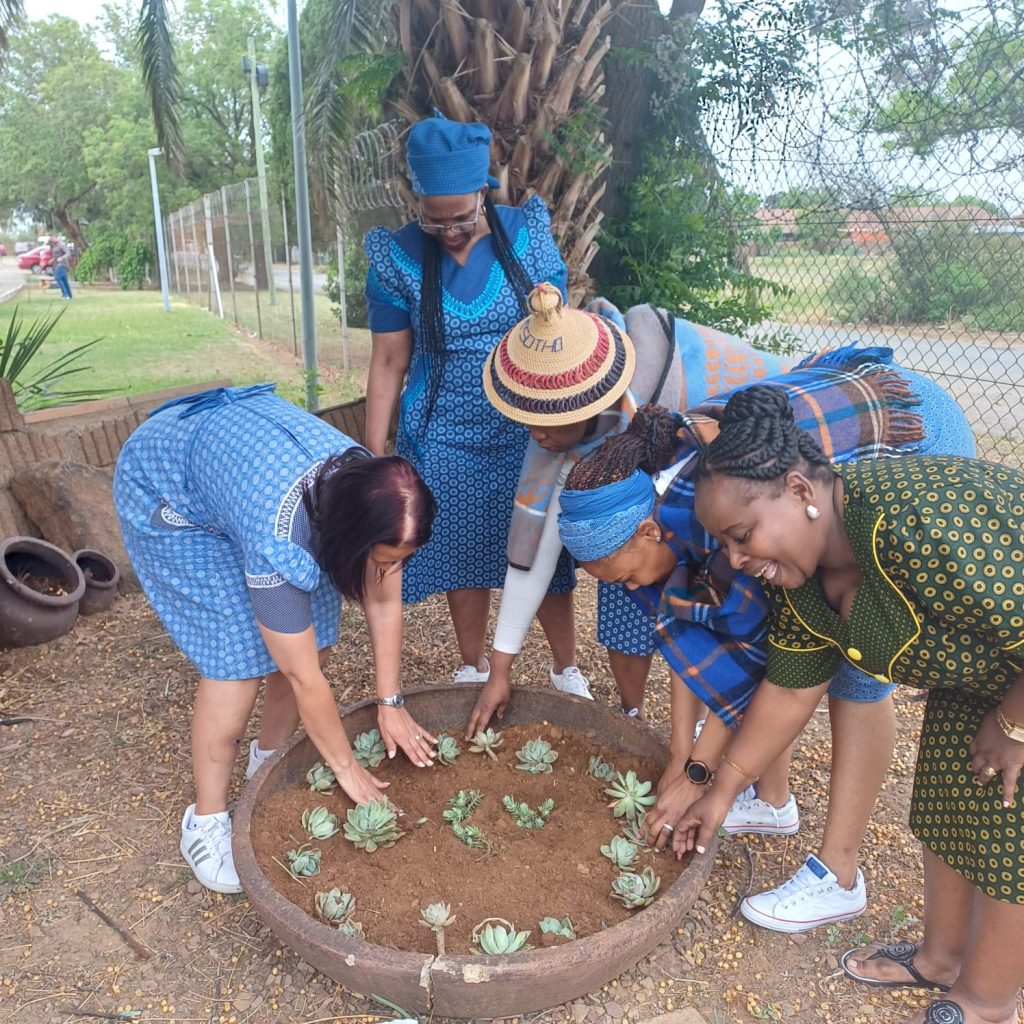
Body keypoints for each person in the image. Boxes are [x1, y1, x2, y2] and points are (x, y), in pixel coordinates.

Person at [553, 358, 976, 933]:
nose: (630, 589)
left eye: (626, 576)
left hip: (908, 433)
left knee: (851, 663)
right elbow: (698, 644)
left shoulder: (733, 523)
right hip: (797, 483)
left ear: (650, 531)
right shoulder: (673, 507)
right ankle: (773, 802)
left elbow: (762, 660)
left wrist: (701, 773)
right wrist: (682, 757)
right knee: (796, 637)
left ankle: (839, 874)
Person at [673, 384, 1024, 1024]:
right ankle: (941, 959)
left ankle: (987, 1002)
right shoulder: (803, 582)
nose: (736, 560)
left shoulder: (913, 520)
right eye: (725, 545)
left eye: (742, 536)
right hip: (980, 680)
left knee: (1010, 834)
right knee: (948, 806)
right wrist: (720, 794)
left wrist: (1013, 724)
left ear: (799, 491)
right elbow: (789, 689)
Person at [114, 383, 438, 894]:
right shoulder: (278, 537)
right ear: (349, 538)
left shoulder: (375, 493)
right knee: (238, 661)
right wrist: (347, 768)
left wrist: (390, 701)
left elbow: (382, 601)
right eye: (386, 559)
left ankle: (267, 760)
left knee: (315, 636)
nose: (391, 570)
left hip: (239, 475)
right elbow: (302, 676)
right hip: (169, 490)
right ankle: (205, 821)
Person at [468, 283, 789, 732]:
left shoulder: (664, 420)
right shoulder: (558, 442)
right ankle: (633, 714)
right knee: (623, 580)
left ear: (588, 407)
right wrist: (499, 671)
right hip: (644, 534)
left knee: (704, 596)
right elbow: (535, 553)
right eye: (529, 421)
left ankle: (711, 722)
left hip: (744, 490)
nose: (536, 435)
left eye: (549, 423)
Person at [363, 112, 583, 695]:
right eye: (433, 219)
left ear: (484, 192)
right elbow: (388, 361)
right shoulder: (397, 258)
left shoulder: (526, 236)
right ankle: (472, 666)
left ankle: (566, 669)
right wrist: (374, 453)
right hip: (443, 433)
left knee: (542, 549)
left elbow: (562, 330)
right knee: (462, 548)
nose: (448, 231)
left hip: (529, 430)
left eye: (460, 217)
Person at [49, 235, 72, 300]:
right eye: (51, 239)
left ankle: (65, 295)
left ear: (56, 238)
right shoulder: (54, 245)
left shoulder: (61, 245)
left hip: (62, 264)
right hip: (57, 265)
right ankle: (69, 295)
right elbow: (56, 255)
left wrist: (62, 258)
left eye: (53, 238)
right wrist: (52, 259)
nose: (52, 240)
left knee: (58, 277)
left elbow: (68, 253)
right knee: (64, 280)